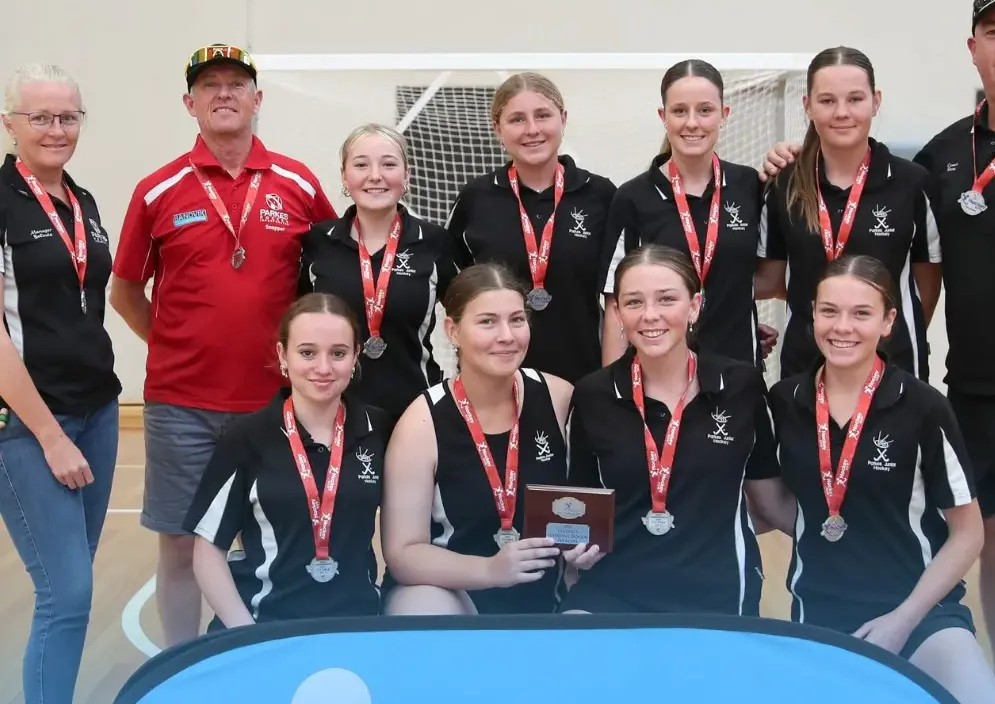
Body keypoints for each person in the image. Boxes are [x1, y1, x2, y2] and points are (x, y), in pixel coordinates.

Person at [760, 0, 995, 702]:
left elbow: (925, 282)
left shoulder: (929, 175)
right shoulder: (942, 154)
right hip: (944, 387)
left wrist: (877, 340)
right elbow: (772, 275)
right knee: (990, 540)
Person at [109, 44, 338, 647]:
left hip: (276, 402)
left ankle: (271, 650)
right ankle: (181, 665)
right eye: (209, 85)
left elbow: (331, 275)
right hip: (180, 404)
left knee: (279, 533)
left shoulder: (297, 182)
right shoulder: (157, 189)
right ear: (189, 103)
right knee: (180, 542)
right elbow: (125, 291)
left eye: (236, 83)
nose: (224, 94)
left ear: (257, 100)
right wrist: (172, 344)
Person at [766, 254, 995, 704]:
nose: (842, 327)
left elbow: (969, 533)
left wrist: (902, 620)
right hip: (819, 613)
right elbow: (768, 503)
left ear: (888, 321)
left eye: (861, 313)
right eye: (829, 311)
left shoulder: (924, 406)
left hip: (923, 614)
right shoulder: (785, 401)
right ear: (812, 314)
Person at [558, 243, 789, 615]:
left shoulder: (741, 385)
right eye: (634, 302)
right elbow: (578, 507)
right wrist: (573, 550)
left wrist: (845, 531)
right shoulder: (592, 394)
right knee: (571, 640)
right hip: (614, 591)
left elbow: (770, 500)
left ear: (694, 306)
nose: (650, 315)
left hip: (719, 594)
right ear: (617, 313)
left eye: (666, 299)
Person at [0, 63, 121, 704]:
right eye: (40, 117)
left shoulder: (83, 201)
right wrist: (49, 435)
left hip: (98, 413)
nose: (56, 129)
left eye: (68, 117)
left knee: (75, 585)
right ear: (9, 124)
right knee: (65, 594)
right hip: (30, 425)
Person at [183, 293, 391, 630]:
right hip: (262, 624)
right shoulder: (248, 436)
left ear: (355, 355)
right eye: (307, 353)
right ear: (283, 355)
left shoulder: (379, 430)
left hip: (357, 624)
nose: (323, 368)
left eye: (338, 353)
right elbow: (208, 548)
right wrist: (245, 632)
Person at [379, 262, 574, 615]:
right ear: (453, 331)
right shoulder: (421, 423)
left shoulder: (559, 398)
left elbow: (587, 506)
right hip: (456, 596)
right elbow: (403, 553)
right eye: (487, 322)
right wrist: (489, 570)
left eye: (517, 319)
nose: (507, 335)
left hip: (545, 599)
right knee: (422, 608)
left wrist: (586, 547)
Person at [755, 46, 941, 382]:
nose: (842, 112)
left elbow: (925, 283)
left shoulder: (912, 183)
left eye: (855, 99)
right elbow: (774, 280)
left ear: (875, 101)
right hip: (805, 370)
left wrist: (885, 334)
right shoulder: (784, 185)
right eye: (827, 101)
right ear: (807, 106)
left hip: (894, 369)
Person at [601, 59, 778, 369]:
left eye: (705, 110)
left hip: (738, 374)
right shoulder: (632, 198)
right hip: (657, 376)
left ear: (724, 114)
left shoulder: (749, 185)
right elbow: (616, 303)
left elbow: (765, 278)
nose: (692, 123)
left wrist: (731, 301)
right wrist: (611, 387)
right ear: (663, 116)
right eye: (680, 111)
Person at [445, 72, 619, 384]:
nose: (532, 130)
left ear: (563, 119)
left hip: (583, 379)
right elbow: (454, 293)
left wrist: (609, 385)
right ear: (497, 128)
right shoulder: (475, 199)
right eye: (517, 119)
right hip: (494, 383)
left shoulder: (601, 196)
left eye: (542, 115)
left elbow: (616, 299)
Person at [299, 124, 457, 423]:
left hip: (415, 413)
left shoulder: (435, 242)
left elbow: (468, 321)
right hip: (330, 413)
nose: (375, 175)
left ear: (407, 175)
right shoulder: (318, 242)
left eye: (388, 164)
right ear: (345, 176)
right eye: (361, 165)